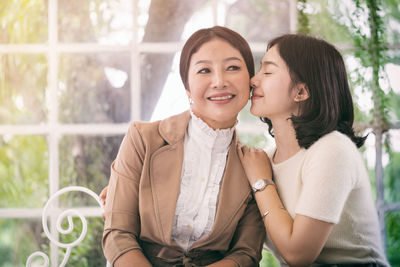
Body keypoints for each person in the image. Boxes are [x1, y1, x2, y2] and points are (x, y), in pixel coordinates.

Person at [101, 26, 265, 267]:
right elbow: (118, 235)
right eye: (204, 70)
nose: (219, 81)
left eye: (233, 67)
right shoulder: (142, 139)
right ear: (187, 87)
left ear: (250, 81)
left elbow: (245, 253)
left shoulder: (254, 165)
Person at [238, 34, 389, 266]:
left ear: (301, 92)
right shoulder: (265, 161)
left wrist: (261, 182)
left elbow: (298, 255)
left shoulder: (332, 149)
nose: (253, 80)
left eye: (267, 72)